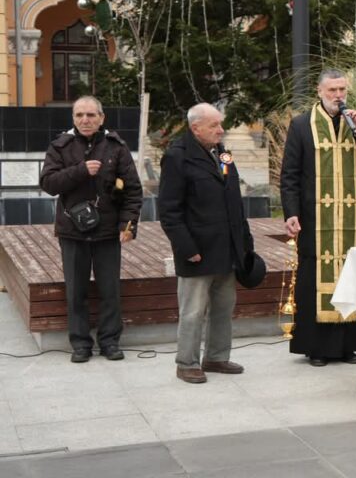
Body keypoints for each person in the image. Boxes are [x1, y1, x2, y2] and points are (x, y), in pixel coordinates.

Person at [280, 69, 356, 367]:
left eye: (342, 89)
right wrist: (291, 213)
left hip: (350, 220)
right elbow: (289, 174)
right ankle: (317, 348)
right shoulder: (302, 125)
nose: (338, 95)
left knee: (351, 278)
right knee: (315, 281)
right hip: (316, 220)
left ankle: (348, 346)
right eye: (332, 90)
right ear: (319, 91)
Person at [39, 96, 142, 363]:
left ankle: (110, 342)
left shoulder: (115, 147)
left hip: (108, 231)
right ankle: (81, 344)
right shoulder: (60, 146)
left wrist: (128, 225)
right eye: (80, 115)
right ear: (73, 118)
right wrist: (81, 170)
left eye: (91, 115)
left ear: (101, 118)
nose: (85, 120)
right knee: (76, 291)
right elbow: (49, 184)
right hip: (73, 232)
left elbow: (132, 190)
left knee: (110, 290)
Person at [158, 103, 254, 384]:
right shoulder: (177, 157)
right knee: (193, 311)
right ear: (195, 127)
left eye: (220, 124)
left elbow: (234, 200)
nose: (220, 130)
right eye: (214, 125)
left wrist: (245, 241)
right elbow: (169, 211)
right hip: (197, 250)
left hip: (227, 248)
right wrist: (187, 248)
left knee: (224, 307)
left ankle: (216, 357)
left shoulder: (222, 153)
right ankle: (186, 362)